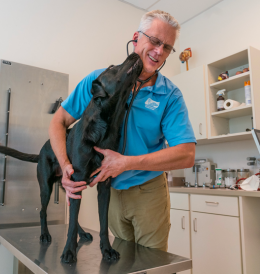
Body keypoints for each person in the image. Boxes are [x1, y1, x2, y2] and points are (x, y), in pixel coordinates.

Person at [48, 10, 196, 252]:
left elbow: (186, 154)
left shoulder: (170, 95)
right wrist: (65, 165)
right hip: (111, 192)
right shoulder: (99, 81)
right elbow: (59, 121)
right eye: (155, 41)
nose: (159, 52)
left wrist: (126, 163)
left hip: (149, 191)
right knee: (120, 262)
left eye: (167, 47)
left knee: (151, 264)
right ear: (136, 38)